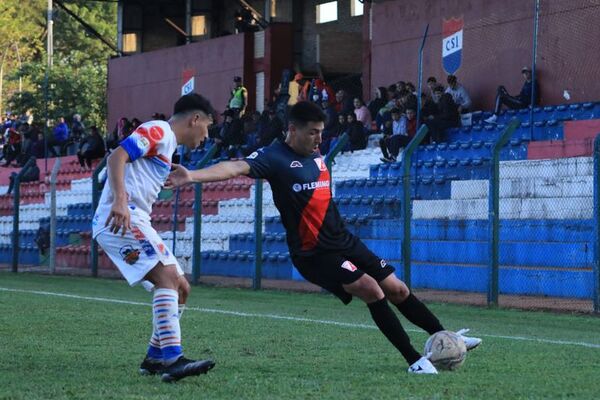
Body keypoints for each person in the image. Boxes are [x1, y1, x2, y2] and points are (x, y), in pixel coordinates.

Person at [165, 101, 482, 375]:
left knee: (397, 289)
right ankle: (414, 360)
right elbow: (234, 167)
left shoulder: (316, 154)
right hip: (313, 253)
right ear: (293, 129)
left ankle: (446, 338)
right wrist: (192, 175)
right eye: (313, 132)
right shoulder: (273, 157)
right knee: (371, 289)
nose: (319, 138)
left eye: (321, 131)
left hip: (344, 240)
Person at [92, 93, 216, 383]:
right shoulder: (160, 130)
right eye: (207, 127)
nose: (207, 135)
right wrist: (120, 200)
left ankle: (154, 358)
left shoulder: (167, 145)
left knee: (182, 287)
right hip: (122, 218)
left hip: (134, 218)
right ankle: (173, 360)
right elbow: (116, 157)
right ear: (194, 119)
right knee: (168, 279)